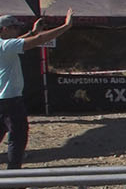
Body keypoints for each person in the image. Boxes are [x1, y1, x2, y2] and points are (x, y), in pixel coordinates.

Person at [0, 10, 74, 168]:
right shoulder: (6, 45)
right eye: (14, 27)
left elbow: (19, 40)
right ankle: (13, 174)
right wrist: (65, 27)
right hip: (10, 100)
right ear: (5, 29)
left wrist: (32, 32)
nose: (17, 30)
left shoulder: (4, 45)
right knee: (18, 137)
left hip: (3, 100)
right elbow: (39, 40)